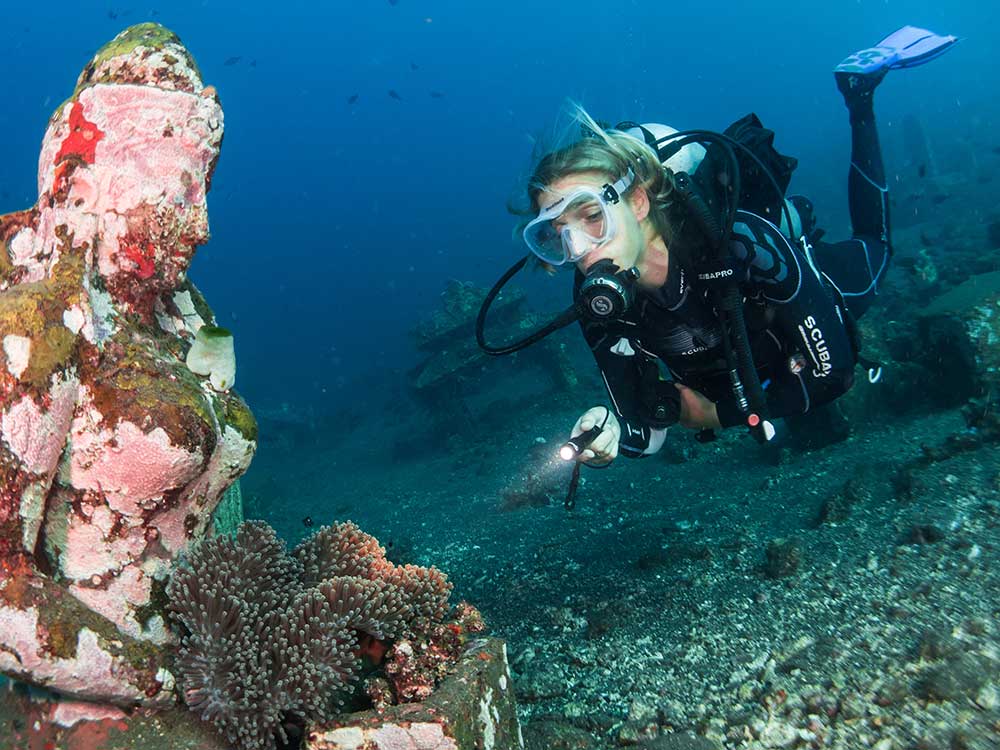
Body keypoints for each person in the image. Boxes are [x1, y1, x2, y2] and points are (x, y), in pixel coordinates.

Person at [514, 26, 956, 466]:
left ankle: (859, 99)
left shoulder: (741, 242)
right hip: (742, 374)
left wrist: (721, 414)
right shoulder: (597, 299)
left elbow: (835, 374)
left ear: (638, 201)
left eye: (592, 216)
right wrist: (609, 435)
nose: (580, 250)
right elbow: (647, 432)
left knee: (875, 248)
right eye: (557, 235)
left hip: (798, 324)